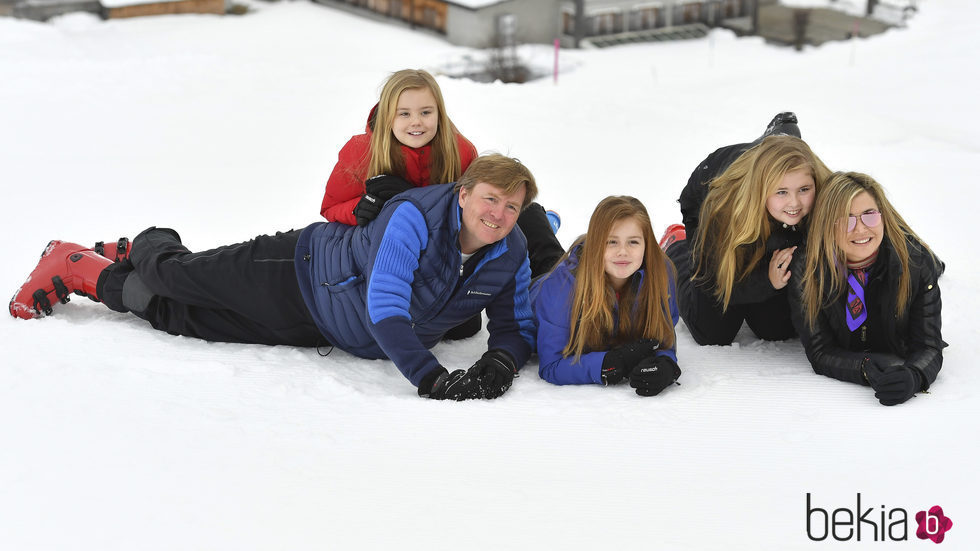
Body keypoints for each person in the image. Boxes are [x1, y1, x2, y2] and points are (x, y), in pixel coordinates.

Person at [9, 154, 538, 402]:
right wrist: (433, 378)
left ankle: (81, 270)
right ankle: (143, 245)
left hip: (322, 328)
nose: (498, 214)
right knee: (175, 276)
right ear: (464, 193)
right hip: (298, 268)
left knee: (177, 318)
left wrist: (501, 360)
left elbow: (515, 327)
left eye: (511, 207)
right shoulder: (414, 217)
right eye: (490, 199)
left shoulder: (509, 252)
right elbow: (386, 307)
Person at [320, 69, 563, 280]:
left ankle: (562, 277)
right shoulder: (362, 151)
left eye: (426, 113)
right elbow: (330, 207)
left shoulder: (459, 150)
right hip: (395, 248)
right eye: (404, 113)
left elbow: (479, 204)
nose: (416, 122)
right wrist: (361, 208)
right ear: (387, 115)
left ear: (439, 112)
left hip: (449, 240)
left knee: (523, 211)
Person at [659, 132, 832, 346]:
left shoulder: (826, 195)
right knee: (713, 332)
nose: (794, 202)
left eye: (804, 189)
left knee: (776, 330)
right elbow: (719, 283)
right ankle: (676, 245)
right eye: (781, 192)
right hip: (709, 204)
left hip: (767, 219)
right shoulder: (723, 210)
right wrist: (766, 281)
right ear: (761, 190)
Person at [789, 172, 945, 406]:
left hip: (908, 257)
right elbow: (820, 350)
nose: (861, 229)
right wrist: (862, 367)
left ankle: (938, 263)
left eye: (869, 215)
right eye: (846, 220)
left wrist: (915, 375)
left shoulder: (916, 263)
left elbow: (928, 344)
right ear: (826, 225)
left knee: (928, 261)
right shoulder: (807, 268)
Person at [531, 196, 681, 396]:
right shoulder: (559, 287)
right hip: (537, 291)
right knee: (541, 253)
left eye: (633, 242)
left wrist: (666, 363)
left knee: (552, 256)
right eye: (611, 242)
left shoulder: (660, 274)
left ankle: (548, 224)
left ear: (647, 245)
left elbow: (663, 339)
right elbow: (552, 366)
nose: (623, 252)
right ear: (595, 245)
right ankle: (537, 218)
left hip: (587, 271)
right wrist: (610, 363)